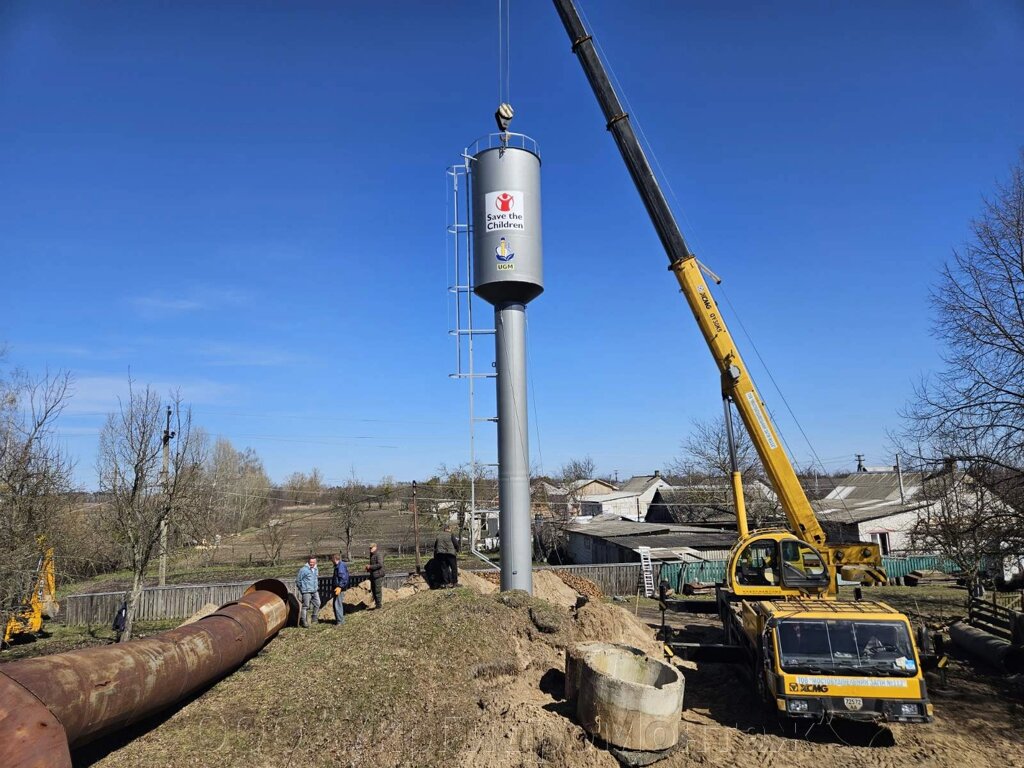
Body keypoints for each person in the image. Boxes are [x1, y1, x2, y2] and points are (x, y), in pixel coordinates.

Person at [296, 556, 320, 627]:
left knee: (318, 604)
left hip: (314, 590)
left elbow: (316, 578)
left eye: (313, 562)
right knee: (306, 606)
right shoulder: (303, 570)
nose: (312, 563)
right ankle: (304, 621)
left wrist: (316, 587)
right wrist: (302, 589)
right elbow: (298, 580)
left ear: (315, 562)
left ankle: (314, 618)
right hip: (306, 591)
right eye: (310, 562)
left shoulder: (316, 569)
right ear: (308, 562)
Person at [331, 553, 349, 626]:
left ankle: (340, 622)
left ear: (335, 559)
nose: (331, 561)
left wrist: (340, 587)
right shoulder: (338, 566)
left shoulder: (340, 566)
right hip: (338, 587)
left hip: (339, 588)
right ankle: (340, 620)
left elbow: (343, 577)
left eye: (332, 559)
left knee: (337, 604)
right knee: (336, 603)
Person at [365, 543, 385, 609]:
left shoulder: (378, 554)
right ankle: (377, 604)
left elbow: (380, 564)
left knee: (377, 590)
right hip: (373, 575)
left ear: (375, 547)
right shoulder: (372, 555)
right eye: (369, 548)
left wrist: (370, 567)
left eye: (371, 548)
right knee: (373, 590)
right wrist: (369, 569)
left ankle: (379, 605)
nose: (370, 549)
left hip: (378, 575)